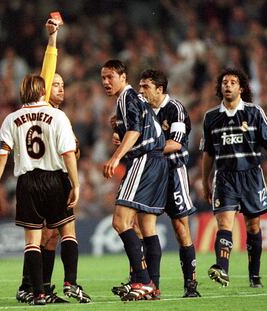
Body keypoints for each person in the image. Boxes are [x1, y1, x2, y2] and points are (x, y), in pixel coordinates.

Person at [0, 74, 91, 305]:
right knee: (67, 233)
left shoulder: (11, 119)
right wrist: (76, 184)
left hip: (27, 182)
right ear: (43, 91)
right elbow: (68, 154)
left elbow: (1, 156)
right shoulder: (57, 116)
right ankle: (70, 282)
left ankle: (38, 294)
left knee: (33, 242)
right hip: (55, 179)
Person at [200, 68, 267, 288]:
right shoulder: (210, 117)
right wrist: (205, 181)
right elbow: (208, 153)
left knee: (253, 226)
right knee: (224, 222)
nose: (227, 85)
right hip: (225, 177)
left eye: (233, 82)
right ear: (220, 87)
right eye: (224, 82)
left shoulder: (255, 112)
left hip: (251, 175)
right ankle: (222, 270)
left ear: (241, 88)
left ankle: (254, 275)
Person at [101, 59, 168, 301]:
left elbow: (136, 130)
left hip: (144, 160)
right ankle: (152, 285)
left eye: (110, 77)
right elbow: (142, 126)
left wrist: (116, 157)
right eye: (103, 78)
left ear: (123, 76)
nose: (106, 82)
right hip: (157, 161)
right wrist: (119, 128)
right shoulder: (133, 100)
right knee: (145, 228)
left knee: (120, 222)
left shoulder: (128, 97)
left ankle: (143, 279)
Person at [15, 17, 70, 304]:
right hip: (41, 179)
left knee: (50, 236)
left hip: (55, 178)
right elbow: (47, 70)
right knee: (43, 236)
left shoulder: (60, 116)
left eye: (62, 84)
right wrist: (52, 39)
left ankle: (41, 287)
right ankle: (32, 286)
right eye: (55, 84)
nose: (58, 87)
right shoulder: (45, 108)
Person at [138, 69, 200, 297]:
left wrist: (143, 148)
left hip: (172, 171)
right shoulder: (141, 109)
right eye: (140, 86)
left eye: (145, 86)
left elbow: (175, 143)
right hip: (148, 173)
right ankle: (148, 283)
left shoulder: (175, 109)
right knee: (141, 227)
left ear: (159, 89)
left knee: (180, 227)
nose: (141, 91)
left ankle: (190, 284)